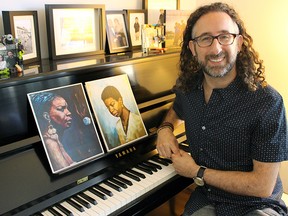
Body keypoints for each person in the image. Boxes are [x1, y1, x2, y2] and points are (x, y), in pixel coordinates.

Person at [156, 2, 288, 216]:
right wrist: (165, 128)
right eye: (205, 39)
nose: (216, 49)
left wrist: (196, 172)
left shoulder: (267, 102)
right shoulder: (189, 87)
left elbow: (262, 185)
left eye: (225, 36)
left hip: (255, 206)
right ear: (193, 48)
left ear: (239, 42)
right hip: (207, 199)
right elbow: (177, 109)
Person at [30, 92, 75, 172]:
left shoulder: (54, 139)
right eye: (61, 109)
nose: (68, 112)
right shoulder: (50, 143)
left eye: (67, 108)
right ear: (46, 116)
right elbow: (66, 173)